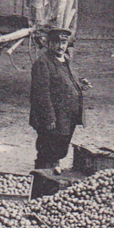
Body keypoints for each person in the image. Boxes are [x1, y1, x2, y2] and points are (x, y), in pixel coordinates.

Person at [30, 28, 91, 172]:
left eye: (63, 43)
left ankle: (54, 167)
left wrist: (80, 83)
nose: (60, 46)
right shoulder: (43, 63)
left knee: (61, 145)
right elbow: (41, 94)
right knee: (47, 148)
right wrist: (49, 118)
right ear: (49, 44)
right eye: (56, 42)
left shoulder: (65, 59)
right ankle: (43, 175)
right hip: (53, 117)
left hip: (67, 115)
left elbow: (67, 78)